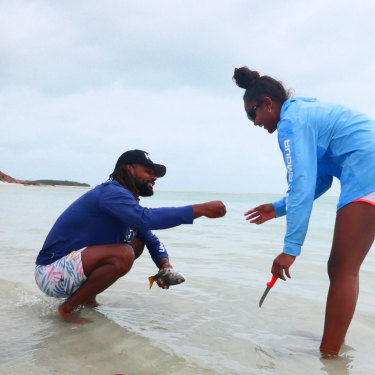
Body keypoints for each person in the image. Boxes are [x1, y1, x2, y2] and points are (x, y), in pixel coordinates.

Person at [232, 67, 375, 356]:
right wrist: (278, 208)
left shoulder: (291, 123)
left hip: (366, 173)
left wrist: (290, 249)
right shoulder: (305, 115)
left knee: (342, 269)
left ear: (268, 103)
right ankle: (333, 345)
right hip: (364, 171)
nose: (254, 122)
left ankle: (330, 356)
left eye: (253, 114)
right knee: (343, 269)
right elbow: (317, 181)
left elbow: (300, 183)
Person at [35, 149, 226, 323]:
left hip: (68, 271)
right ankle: (67, 309)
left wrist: (164, 266)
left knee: (137, 243)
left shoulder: (125, 202)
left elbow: (151, 239)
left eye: (155, 173)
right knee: (124, 253)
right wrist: (199, 209)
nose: (154, 177)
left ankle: (86, 299)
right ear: (128, 169)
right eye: (148, 171)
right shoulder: (111, 193)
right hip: (50, 273)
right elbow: (146, 218)